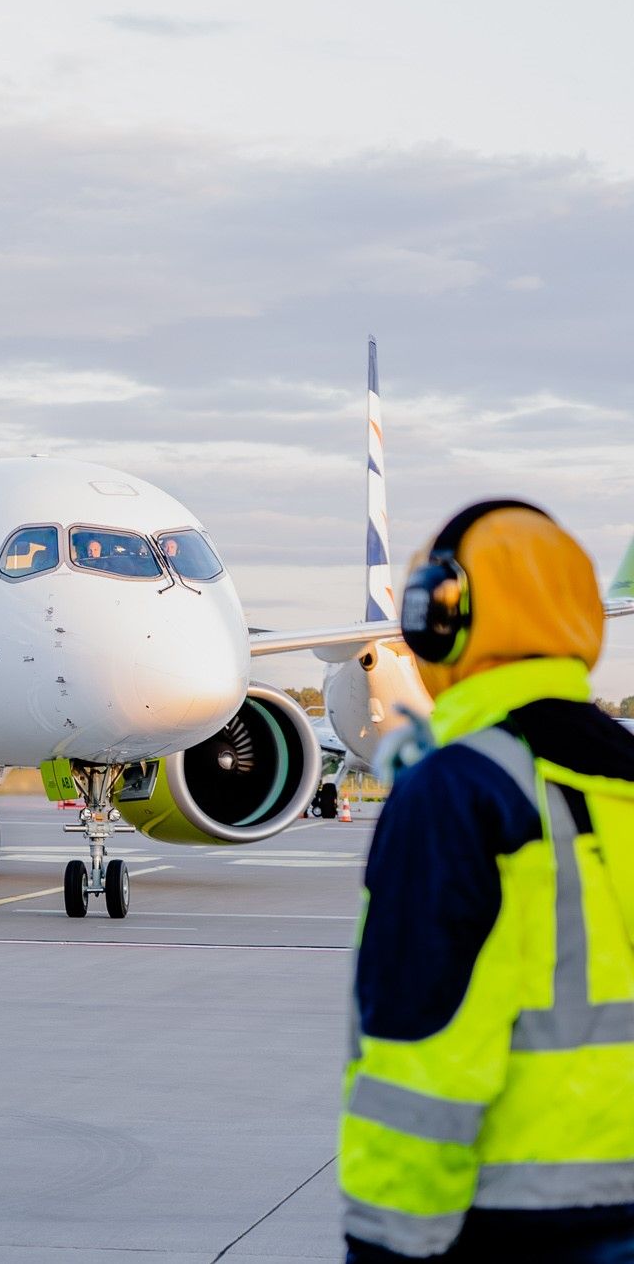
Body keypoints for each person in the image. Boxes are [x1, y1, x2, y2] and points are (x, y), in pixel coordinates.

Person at [341, 500, 634, 1262]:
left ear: (440, 620)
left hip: (518, 1221)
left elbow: (423, 1056)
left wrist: (386, 1244)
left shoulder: (457, 793)